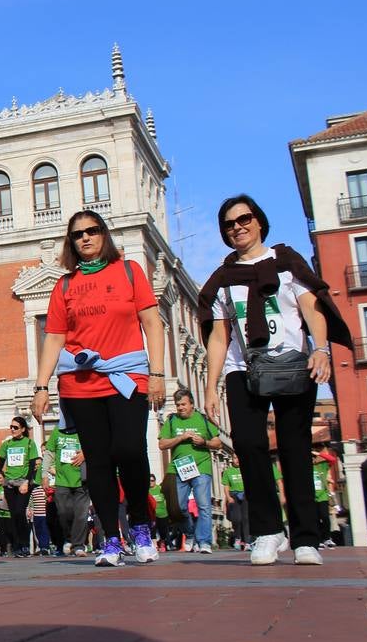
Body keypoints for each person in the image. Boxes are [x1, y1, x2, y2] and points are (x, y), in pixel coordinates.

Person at [198, 194, 351, 567]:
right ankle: (268, 532)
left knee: (294, 447)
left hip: (293, 362)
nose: (238, 227)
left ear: (259, 221)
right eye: (229, 224)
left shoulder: (287, 264)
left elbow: (311, 309)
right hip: (243, 368)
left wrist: (321, 350)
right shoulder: (223, 279)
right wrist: (210, 385)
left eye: (244, 219)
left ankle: (305, 539)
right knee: (249, 447)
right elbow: (219, 336)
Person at [32, 210, 166, 568]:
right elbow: (55, 337)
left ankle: (139, 526)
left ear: (104, 234)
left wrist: (157, 373)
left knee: (130, 450)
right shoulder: (64, 286)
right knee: (100, 463)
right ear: (71, 242)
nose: (86, 238)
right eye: (78, 235)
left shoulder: (129, 271)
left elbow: (152, 322)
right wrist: (41, 386)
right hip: (80, 383)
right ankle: (110, 539)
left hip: (127, 377)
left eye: (92, 231)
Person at [157, 389, 223, 554]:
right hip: (179, 469)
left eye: (184, 404)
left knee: (204, 505)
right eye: (178, 405)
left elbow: (218, 443)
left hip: (201, 466)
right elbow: (162, 444)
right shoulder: (171, 421)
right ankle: (190, 533)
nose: (180, 408)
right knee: (178, 508)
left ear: (192, 404)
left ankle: (204, 542)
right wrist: (180, 438)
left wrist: (204, 442)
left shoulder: (202, 419)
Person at [0, 416, 39, 558]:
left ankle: (25, 544)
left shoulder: (29, 443)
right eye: (11, 427)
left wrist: (27, 481)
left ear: (23, 429)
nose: (12, 429)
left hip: (23, 483)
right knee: (13, 515)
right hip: (9, 483)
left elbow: (32, 465)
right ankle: (17, 545)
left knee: (20, 512)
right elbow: (1, 462)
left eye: (16, 427)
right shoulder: (7, 444)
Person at [44, 425, 88, 557]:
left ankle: (78, 545)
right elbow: (49, 453)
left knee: (81, 514)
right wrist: (44, 475)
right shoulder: (57, 431)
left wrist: (85, 454)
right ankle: (69, 538)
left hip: (82, 480)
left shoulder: (85, 428)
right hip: (62, 481)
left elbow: (98, 445)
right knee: (64, 513)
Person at [311, 446, 338, 548]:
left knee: (325, 517)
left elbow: (332, 459)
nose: (311, 459)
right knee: (315, 519)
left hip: (322, 496)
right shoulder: (303, 469)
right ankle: (318, 540)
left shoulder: (322, 466)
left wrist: (318, 453)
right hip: (311, 497)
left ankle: (327, 538)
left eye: (313, 457)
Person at [222, 453, 247, 550]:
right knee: (237, 518)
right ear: (232, 459)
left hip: (245, 494)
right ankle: (237, 538)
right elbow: (226, 485)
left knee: (246, 519)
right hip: (234, 495)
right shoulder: (228, 471)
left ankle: (247, 542)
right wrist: (228, 497)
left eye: (239, 457)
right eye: (235, 458)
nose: (237, 460)